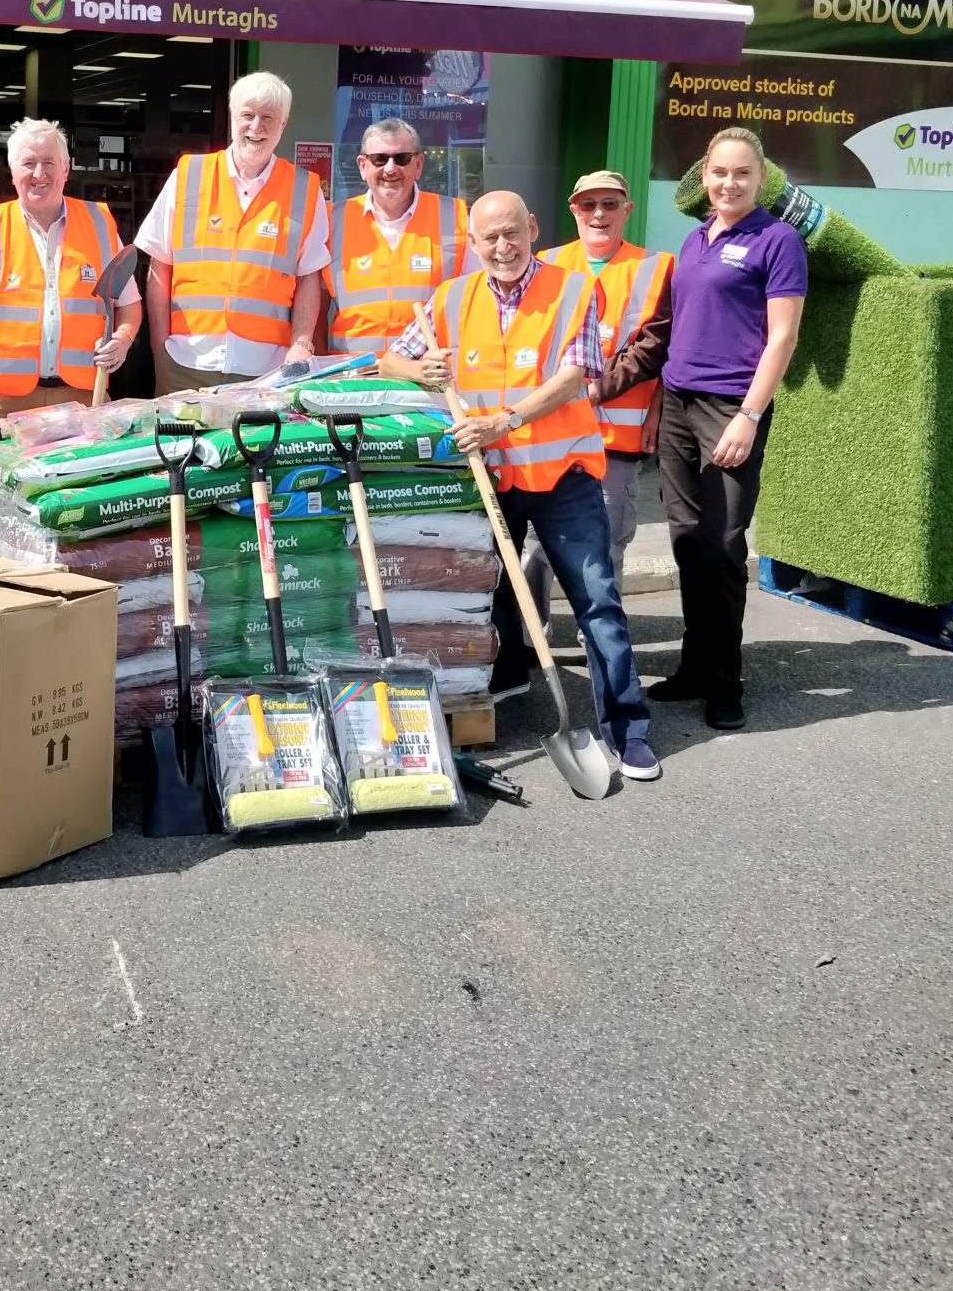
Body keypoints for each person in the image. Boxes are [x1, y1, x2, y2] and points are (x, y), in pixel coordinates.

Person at [387, 189, 659, 783]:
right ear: (474, 241)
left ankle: (628, 728)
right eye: (490, 238)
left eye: (513, 233)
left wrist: (504, 421)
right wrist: (420, 370)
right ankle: (509, 681)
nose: (503, 247)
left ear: (532, 228)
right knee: (490, 594)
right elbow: (389, 362)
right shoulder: (450, 299)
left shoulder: (572, 290)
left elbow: (573, 376)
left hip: (564, 478)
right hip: (492, 480)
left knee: (597, 602)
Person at [652, 127, 806, 732]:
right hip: (677, 401)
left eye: (741, 173)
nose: (728, 183)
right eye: (719, 172)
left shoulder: (779, 240)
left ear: (760, 178)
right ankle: (694, 666)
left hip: (729, 408)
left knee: (723, 546)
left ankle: (724, 681)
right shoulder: (694, 240)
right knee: (688, 538)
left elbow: (783, 337)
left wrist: (748, 414)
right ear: (704, 176)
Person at [135, 70, 330, 394]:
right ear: (232, 116)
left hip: (267, 370)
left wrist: (301, 344)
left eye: (268, 117)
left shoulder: (304, 189)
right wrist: (160, 345)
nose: (256, 127)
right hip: (186, 363)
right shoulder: (188, 175)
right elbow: (160, 264)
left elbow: (309, 276)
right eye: (248, 115)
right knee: (178, 446)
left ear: (284, 123)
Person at [529, 170, 674, 600]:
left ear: (626, 210)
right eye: (588, 204)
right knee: (535, 547)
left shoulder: (657, 268)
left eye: (610, 204)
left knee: (603, 549)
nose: (599, 213)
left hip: (612, 440)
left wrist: (589, 392)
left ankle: (598, 650)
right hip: (549, 435)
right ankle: (529, 647)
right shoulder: (546, 263)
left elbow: (655, 349)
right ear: (573, 210)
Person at [0, 118, 140, 424]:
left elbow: (129, 303)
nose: (39, 174)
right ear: (13, 172)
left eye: (49, 162)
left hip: (81, 397)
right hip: (3, 401)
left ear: (66, 169)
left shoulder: (99, 224)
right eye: (28, 163)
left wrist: (123, 338)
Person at [325, 116, 471, 356]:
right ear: (363, 166)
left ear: (418, 164)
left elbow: (475, 298)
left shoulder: (456, 217)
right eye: (379, 159)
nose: (390, 169)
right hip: (351, 377)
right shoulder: (333, 221)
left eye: (401, 158)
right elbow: (316, 305)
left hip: (425, 377)